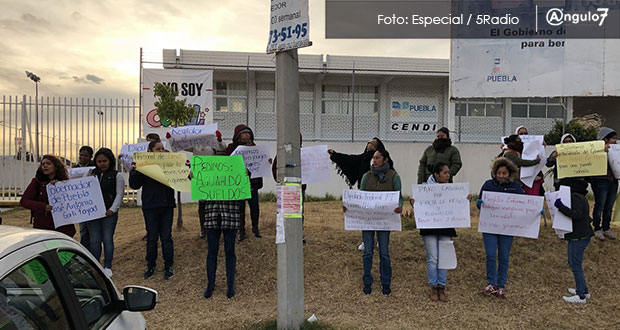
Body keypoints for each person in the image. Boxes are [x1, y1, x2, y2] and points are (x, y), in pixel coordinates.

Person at [343, 149, 403, 296]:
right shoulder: (366, 176)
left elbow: (399, 196)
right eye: (373, 158)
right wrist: (349, 207)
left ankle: (386, 283)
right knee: (368, 252)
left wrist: (398, 207)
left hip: (385, 221)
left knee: (384, 252)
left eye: (377, 158)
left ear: (385, 160)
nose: (374, 160)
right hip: (368, 220)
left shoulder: (393, 177)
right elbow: (361, 196)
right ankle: (367, 281)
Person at [410, 162, 471, 302]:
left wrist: (465, 200)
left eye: (448, 173)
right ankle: (433, 286)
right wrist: (415, 203)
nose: (448, 175)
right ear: (436, 175)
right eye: (445, 173)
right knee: (433, 258)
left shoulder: (452, 190)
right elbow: (420, 209)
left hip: (445, 227)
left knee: (443, 258)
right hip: (429, 228)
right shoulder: (425, 189)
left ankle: (441, 287)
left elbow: (458, 206)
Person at [329, 137, 391, 250]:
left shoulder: (386, 160)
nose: (369, 144)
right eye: (368, 142)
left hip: (379, 193)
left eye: (372, 143)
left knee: (379, 217)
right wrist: (335, 154)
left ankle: (379, 240)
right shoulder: (363, 158)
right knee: (366, 216)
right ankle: (367, 241)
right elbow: (349, 159)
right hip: (364, 191)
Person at [477, 157, 525, 299]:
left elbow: (524, 205)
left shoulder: (516, 187)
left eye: (504, 173)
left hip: (507, 228)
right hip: (490, 227)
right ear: (495, 173)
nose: (501, 176)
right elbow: (479, 203)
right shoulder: (488, 185)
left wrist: (535, 212)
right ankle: (492, 283)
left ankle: (501, 285)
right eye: (499, 173)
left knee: (504, 256)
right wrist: (479, 203)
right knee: (491, 255)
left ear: (510, 174)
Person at [129, 140, 176, 280]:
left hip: (167, 205)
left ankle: (169, 266)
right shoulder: (144, 165)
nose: (161, 151)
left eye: (162, 149)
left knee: (166, 237)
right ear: (150, 151)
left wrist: (186, 169)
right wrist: (135, 171)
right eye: (158, 149)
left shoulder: (170, 164)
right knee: (152, 237)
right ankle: (151, 265)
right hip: (150, 206)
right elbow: (134, 185)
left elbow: (181, 180)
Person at [203, 149, 245, 299]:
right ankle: (210, 285)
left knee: (230, 251)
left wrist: (245, 175)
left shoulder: (236, 174)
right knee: (211, 252)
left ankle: (230, 285)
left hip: (230, 215)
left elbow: (243, 192)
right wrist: (193, 178)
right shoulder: (207, 176)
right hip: (212, 216)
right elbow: (200, 192)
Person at [553, 179, 594, 304]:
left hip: (578, 237)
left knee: (575, 265)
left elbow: (576, 214)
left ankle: (581, 296)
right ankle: (584, 290)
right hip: (579, 236)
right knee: (574, 264)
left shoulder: (575, 197)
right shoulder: (581, 197)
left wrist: (561, 207)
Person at [85, 148, 124, 278]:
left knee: (107, 239)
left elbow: (119, 194)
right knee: (94, 240)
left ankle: (107, 265)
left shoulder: (117, 175)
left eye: (104, 161)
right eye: (99, 161)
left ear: (110, 161)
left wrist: (113, 209)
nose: (102, 164)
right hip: (93, 213)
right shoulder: (91, 173)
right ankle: (95, 265)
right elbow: (81, 185)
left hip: (109, 213)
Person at [20, 155, 75, 237]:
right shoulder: (37, 182)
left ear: (56, 166)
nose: (45, 166)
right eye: (43, 164)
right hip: (43, 227)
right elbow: (24, 201)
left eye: (48, 163)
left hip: (63, 227)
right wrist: (43, 207)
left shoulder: (65, 183)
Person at [184, 129, 225, 238]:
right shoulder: (195, 145)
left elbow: (223, 148)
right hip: (200, 176)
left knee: (215, 202)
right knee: (202, 203)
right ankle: (203, 228)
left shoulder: (213, 144)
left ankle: (216, 226)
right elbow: (183, 145)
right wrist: (173, 137)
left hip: (213, 175)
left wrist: (219, 139)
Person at [226, 125, 263, 241]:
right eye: (244, 133)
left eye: (248, 133)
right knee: (240, 208)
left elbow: (259, 163)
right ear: (238, 136)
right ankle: (241, 230)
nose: (247, 135)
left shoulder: (254, 148)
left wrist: (266, 162)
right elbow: (227, 164)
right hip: (238, 183)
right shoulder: (231, 149)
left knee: (255, 207)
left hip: (252, 183)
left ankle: (255, 228)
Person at [271, 133, 307, 243]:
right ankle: (285, 234)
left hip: (300, 188)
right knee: (285, 212)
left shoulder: (304, 154)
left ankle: (298, 234)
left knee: (299, 211)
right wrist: (280, 181)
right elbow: (275, 169)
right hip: (286, 189)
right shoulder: (281, 154)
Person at [590, 127, 618, 241]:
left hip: (613, 181)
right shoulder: (596, 149)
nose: (615, 141)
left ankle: (606, 228)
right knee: (600, 205)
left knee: (609, 206)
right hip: (600, 181)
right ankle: (597, 228)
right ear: (605, 139)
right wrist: (602, 150)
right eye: (613, 138)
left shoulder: (616, 150)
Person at [74, 145, 95, 248]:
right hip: (80, 203)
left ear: (90, 157)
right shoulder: (74, 169)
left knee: (92, 230)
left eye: (86, 156)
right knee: (82, 229)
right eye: (81, 155)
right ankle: (84, 248)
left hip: (91, 202)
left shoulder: (94, 168)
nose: (83, 157)